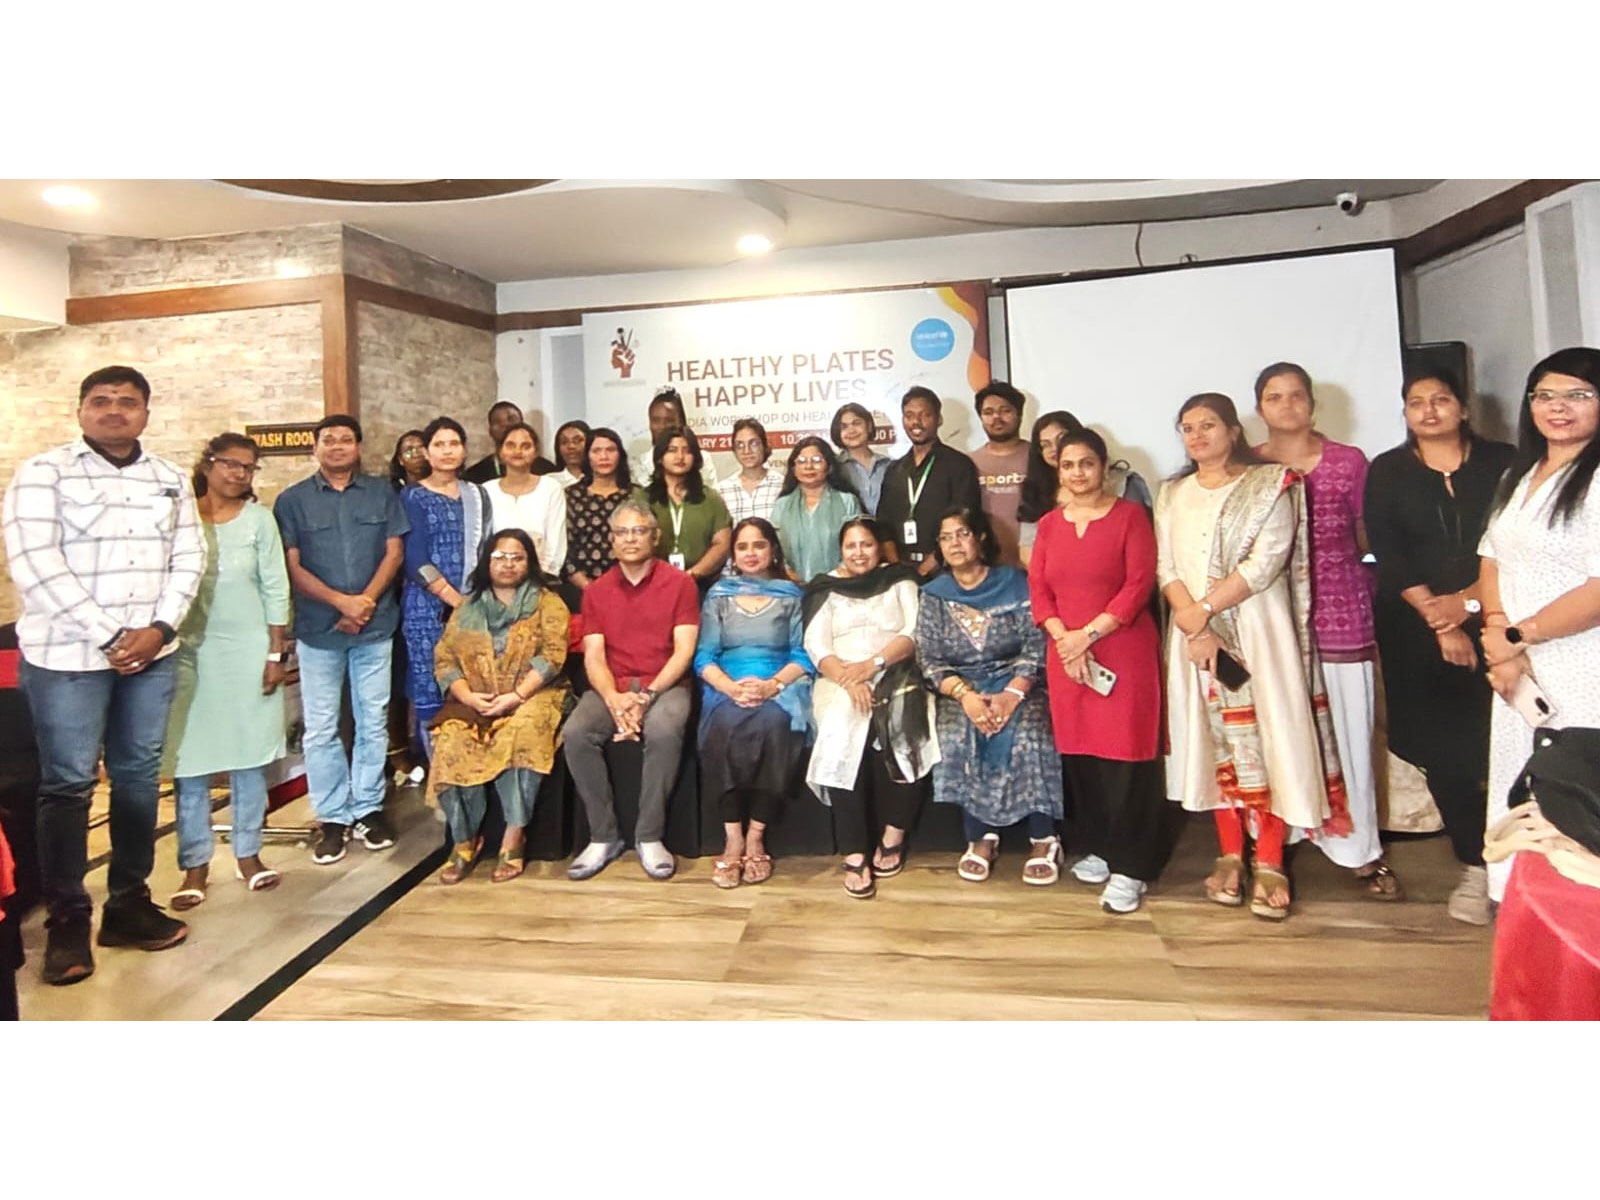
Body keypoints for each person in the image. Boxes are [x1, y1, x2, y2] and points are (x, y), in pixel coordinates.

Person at [3, 365, 205, 984]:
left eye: (128, 402)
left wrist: (161, 630)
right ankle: (67, 920)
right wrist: (112, 637)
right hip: (68, 658)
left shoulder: (169, 477)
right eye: (101, 401)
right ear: (82, 409)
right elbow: (34, 562)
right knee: (66, 787)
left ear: (146, 411)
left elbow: (189, 558)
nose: (114, 410)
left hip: (151, 657)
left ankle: (128, 905)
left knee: (140, 781)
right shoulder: (44, 473)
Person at [1154, 393, 1350, 920]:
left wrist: (1202, 613)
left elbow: (1265, 564)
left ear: (1234, 431)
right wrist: (1192, 622)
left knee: (1270, 739)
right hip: (1193, 640)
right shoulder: (1171, 494)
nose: (1197, 436)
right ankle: (1229, 852)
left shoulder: (1270, 486)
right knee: (1212, 740)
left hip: (1258, 632)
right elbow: (1166, 566)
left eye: (1208, 425)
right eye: (1187, 427)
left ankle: (1269, 857)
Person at [1365, 365, 1515, 923]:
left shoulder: (1504, 463)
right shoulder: (1388, 471)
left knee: (1508, 743)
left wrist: (1470, 605)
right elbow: (1390, 551)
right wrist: (1443, 621)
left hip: (1503, 618)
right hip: (1417, 631)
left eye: (1441, 399)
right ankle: (1475, 863)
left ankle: (1520, 863)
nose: (1429, 410)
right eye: (1416, 402)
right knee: (1448, 753)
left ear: (1464, 408)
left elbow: (1510, 544)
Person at [1253, 362, 1399, 898]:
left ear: (1311, 404)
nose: (1287, 405)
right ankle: (1282, 836)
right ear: (1259, 409)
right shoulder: (1250, 466)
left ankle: (1359, 848)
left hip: (1341, 609)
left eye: (1296, 396)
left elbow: (1367, 535)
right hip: (1272, 616)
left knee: (1349, 730)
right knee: (1281, 730)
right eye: (1275, 397)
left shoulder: (1347, 461)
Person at [1479, 346, 1600, 908]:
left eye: (1578, 395)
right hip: (1521, 668)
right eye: (1545, 396)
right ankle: (1531, 930)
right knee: (1525, 789)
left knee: (1577, 797)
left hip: (1583, 663)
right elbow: (1492, 559)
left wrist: (1516, 638)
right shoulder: (1519, 474)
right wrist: (1501, 643)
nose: (1559, 408)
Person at [1028, 429, 1167, 913]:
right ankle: (1104, 849)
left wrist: (1086, 636)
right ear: (1058, 470)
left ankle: (1133, 867)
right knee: (1083, 760)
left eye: (1087, 464)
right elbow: (1040, 592)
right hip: (1065, 653)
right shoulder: (1048, 524)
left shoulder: (1131, 517)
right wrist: (1065, 638)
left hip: (1121, 649)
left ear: (1104, 467)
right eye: (1068, 465)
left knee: (1126, 761)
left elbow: (1137, 586)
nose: (1077, 473)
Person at [274, 414, 409, 865]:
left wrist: (365, 601)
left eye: (345, 440)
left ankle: (368, 807)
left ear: (358, 447)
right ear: (315, 447)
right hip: (319, 629)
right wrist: (340, 602)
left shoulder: (381, 493)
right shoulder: (292, 501)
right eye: (328, 440)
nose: (336, 447)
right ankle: (332, 815)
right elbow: (291, 565)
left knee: (373, 721)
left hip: (374, 625)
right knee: (321, 726)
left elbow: (394, 551)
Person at [163, 433, 291, 911]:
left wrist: (276, 654)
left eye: (248, 467)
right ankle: (194, 864)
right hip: (187, 652)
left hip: (248, 649)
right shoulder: (180, 517)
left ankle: (249, 854)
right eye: (231, 464)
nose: (239, 474)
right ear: (208, 464)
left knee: (248, 755)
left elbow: (276, 587)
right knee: (189, 761)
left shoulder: (260, 521)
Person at [917, 508, 1062, 885]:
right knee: (959, 734)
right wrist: (965, 696)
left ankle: (1043, 837)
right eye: (946, 538)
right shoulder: (933, 595)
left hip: (1018, 682)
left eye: (962, 534)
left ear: (980, 538)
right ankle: (980, 837)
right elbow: (929, 659)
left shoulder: (1014, 582)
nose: (955, 544)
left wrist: (1013, 693)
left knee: (1032, 732)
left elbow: (1036, 645)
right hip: (962, 688)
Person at [565, 500, 701, 881]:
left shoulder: (680, 584)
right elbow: (593, 655)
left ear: (654, 538)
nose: (630, 538)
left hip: (665, 683)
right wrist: (613, 698)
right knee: (576, 733)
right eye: (622, 532)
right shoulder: (597, 591)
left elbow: (684, 651)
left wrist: (646, 698)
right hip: (614, 685)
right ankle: (603, 835)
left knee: (663, 729)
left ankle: (649, 836)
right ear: (611, 541)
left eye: (639, 530)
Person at [803, 518, 937, 898]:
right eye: (851, 546)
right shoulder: (825, 587)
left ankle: (893, 835)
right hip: (840, 678)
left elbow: (912, 633)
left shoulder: (900, 580)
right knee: (840, 736)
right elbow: (817, 646)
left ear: (879, 548)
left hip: (895, 670)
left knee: (908, 728)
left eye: (866, 544)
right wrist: (850, 679)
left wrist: (873, 665)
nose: (859, 552)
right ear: (840, 550)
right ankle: (854, 850)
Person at [427, 529, 570, 884]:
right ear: (487, 561)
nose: (508, 565)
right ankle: (464, 840)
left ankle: (513, 835)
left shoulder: (547, 602)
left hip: (533, 695)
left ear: (530, 563)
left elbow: (554, 656)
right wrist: (467, 696)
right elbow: (445, 660)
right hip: (474, 698)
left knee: (524, 733)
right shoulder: (467, 607)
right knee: (450, 741)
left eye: (517, 557)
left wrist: (517, 696)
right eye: (500, 557)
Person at [693, 518, 813, 888]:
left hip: (779, 685)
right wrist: (730, 688)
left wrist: (772, 685)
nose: (751, 553)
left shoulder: (791, 595)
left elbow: (804, 653)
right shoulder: (719, 596)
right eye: (742, 547)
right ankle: (732, 837)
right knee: (724, 726)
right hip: (726, 685)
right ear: (733, 554)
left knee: (775, 726)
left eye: (759, 545)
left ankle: (756, 834)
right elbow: (703, 656)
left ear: (773, 550)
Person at [400, 417, 494, 759]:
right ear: (427, 451)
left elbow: (487, 548)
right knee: (430, 682)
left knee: (472, 680)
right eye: (439, 445)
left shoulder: (477, 495)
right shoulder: (412, 496)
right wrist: (453, 599)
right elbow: (414, 557)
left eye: (454, 443)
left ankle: (469, 764)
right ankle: (438, 775)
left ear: (464, 449)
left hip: (475, 603)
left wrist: (476, 599)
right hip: (427, 607)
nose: (447, 451)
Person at [876, 387, 983, 576]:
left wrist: (931, 564)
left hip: (947, 569)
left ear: (939, 419)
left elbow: (966, 519)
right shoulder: (894, 470)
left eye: (925, 415)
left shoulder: (958, 464)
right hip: (901, 572)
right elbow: (883, 524)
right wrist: (897, 568)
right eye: (909, 415)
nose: (916, 422)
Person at [769, 434, 863, 583]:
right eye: (801, 461)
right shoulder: (782, 505)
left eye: (817, 460)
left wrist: (837, 574)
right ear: (793, 469)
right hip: (792, 587)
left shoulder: (847, 502)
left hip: (839, 586)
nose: (808, 466)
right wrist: (786, 572)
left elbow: (857, 545)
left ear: (829, 467)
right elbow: (774, 548)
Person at [563, 427, 646, 593]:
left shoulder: (636, 495)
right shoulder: (571, 496)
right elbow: (565, 547)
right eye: (596, 451)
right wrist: (589, 587)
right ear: (587, 456)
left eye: (610, 450)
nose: (604, 457)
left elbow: (647, 541)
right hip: (582, 587)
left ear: (620, 455)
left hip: (633, 585)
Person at [647, 428, 732, 588]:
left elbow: (722, 544)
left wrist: (691, 575)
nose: (680, 457)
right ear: (660, 457)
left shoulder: (710, 498)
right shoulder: (644, 498)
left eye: (686, 451)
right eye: (672, 450)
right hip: (653, 585)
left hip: (702, 584)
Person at [483, 421, 567, 578]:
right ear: (500, 452)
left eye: (525, 446)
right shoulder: (486, 490)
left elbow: (556, 542)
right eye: (510, 445)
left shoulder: (551, 488)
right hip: (496, 578)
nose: (518, 451)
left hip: (540, 578)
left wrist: (543, 576)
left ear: (536, 452)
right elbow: (483, 541)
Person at [969, 381, 1032, 566]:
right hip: (985, 568)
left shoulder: (1039, 457)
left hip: (1034, 564)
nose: (996, 417)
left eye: (1005, 410)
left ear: (1019, 414)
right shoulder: (968, 462)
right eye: (988, 412)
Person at [713, 417, 784, 526]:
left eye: (753, 444)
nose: (747, 451)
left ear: (764, 446)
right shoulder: (721, 490)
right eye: (740, 445)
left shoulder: (782, 485)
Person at [464, 400, 555, 483]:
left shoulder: (547, 470)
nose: (505, 425)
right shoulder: (475, 474)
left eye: (511, 419)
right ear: (490, 431)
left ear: (523, 425)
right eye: (497, 421)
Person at [831, 401, 892, 514]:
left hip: (887, 530)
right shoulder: (833, 468)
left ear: (869, 426)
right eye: (844, 427)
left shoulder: (889, 466)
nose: (851, 431)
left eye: (856, 423)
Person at [554, 419, 592, 487]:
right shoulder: (549, 481)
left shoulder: (600, 480)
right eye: (564, 442)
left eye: (577, 441)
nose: (571, 446)